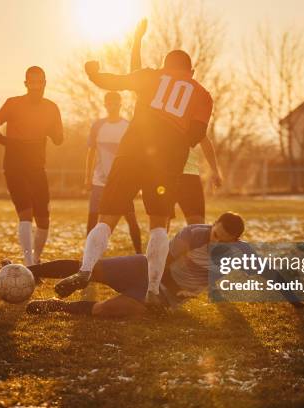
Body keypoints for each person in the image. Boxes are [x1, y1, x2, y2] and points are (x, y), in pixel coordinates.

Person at [58, 22, 214, 306]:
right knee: (158, 225)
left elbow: (112, 82)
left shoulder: (152, 76)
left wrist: (93, 71)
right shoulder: (202, 94)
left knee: (106, 218)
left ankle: (85, 269)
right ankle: (153, 290)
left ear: (165, 65)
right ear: (191, 72)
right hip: (165, 162)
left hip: (131, 152)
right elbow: (197, 133)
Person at [23, 212, 304, 317]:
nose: (215, 240)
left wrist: (295, 301)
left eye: (222, 239)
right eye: (214, 233)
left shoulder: (241, 253)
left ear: (235, 240)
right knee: (89, 269)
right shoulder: (193, 233)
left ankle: (56, 306)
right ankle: (30, 271)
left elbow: (270, 275)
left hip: (163, 296)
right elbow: (165, 264)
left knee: (105, 310)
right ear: (214, 226)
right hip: (146, 270)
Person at [130, 19, 223, 227]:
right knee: (164, 224)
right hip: (167, 171)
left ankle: (186, 259)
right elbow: (135, 74)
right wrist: (136, 43)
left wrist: (215, 169)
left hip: (181, 173)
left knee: (192, 225)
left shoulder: (186, 103)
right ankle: (163, 259)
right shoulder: (163, 97)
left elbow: (203, 139)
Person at [0, 66, 63, 266]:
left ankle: (36, 260)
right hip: (14, 163)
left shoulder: (52, 107)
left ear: (45, 83)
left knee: (44, 218)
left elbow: (59, 140)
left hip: (37, 166)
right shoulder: (13, 103)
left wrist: (53, 131)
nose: (36, 86)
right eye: (32, 82)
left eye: (40, 82)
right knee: (26, 213)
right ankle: (29, 265)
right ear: (26, 83)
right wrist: (7, 142)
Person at [85, 91, 142, 254]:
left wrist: (135, 180)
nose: (112, 106)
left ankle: (139, 254)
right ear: (105, 105)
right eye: (109, 103)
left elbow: (135, 154)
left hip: (122, 182)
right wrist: (87, 177)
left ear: (120, 104)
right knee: (93, 218)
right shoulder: (98, 126)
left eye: (115, 103)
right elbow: (91, 153)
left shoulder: (127, 126)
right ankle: (88, 256)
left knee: (131, 219)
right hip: (99, 181)